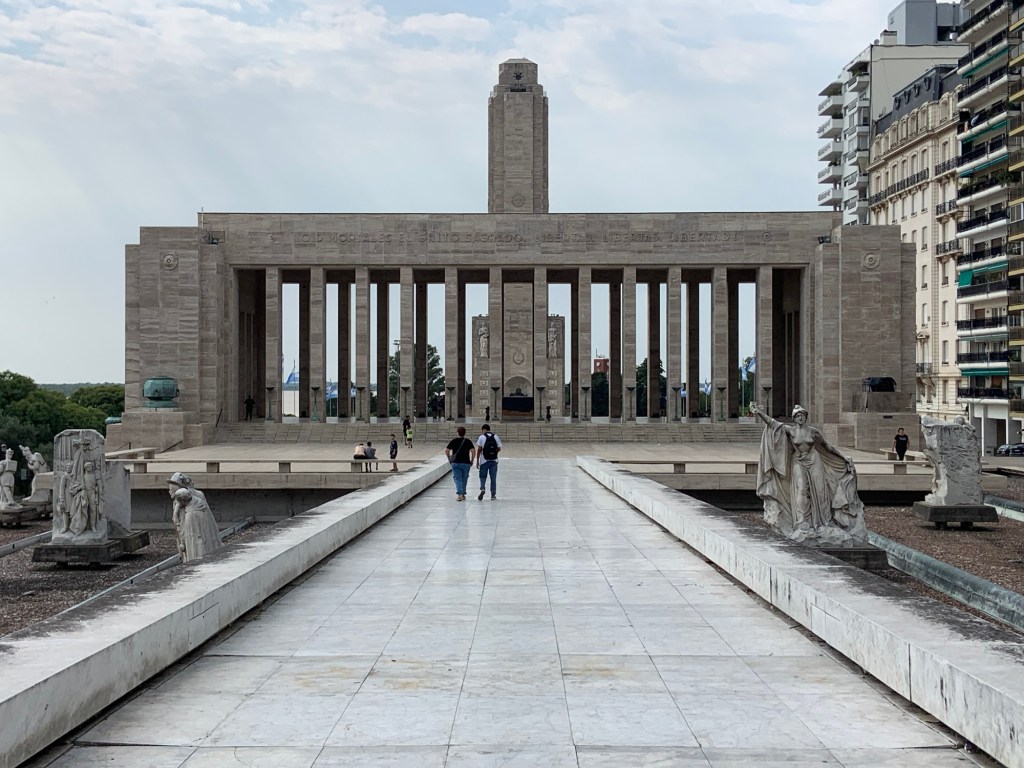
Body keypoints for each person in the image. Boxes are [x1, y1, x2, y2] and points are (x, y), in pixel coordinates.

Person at [748, 402, 866, 545]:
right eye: (797, 416)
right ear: (794, 418)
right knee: (802, 489)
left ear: (805, 417)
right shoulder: (791, 431)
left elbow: (827, 447)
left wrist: (843, 457)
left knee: (820, 490)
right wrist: (759, 413)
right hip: (798, 461)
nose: (800, 418)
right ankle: (802, 521)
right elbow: (772, 423)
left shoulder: (813, 431)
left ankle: (825, 522)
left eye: (802, 415)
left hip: (814, 460)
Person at [445, 426, 476, 501]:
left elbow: (447, 450)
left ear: (457, 433)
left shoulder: (454, 441)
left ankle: (460, 494)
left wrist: (449, 458)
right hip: (466, 462)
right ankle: (463, 494)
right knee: (465, 478)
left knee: (457, 478)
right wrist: (472, 460)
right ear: (465, 433)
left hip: (455, 462)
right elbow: (473, 451)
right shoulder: (468, 441)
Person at [476, 423, 502, 500]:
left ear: (483, 430)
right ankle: (493, 495)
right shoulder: (495, 436)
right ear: (489, 429)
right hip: (494, 460)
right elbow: (499, 448)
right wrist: (493, 452)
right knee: (493, 478)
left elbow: (479, 449)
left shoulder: (481, 437)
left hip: (484, 460)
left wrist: (477, 460)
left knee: (482, 476)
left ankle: (482, 489)